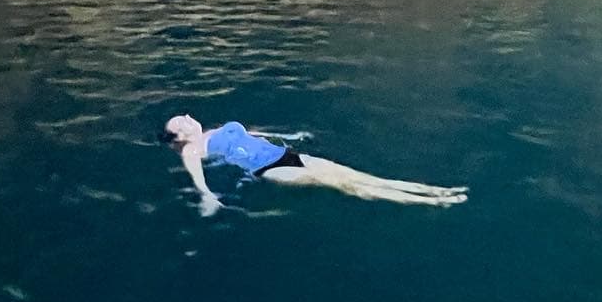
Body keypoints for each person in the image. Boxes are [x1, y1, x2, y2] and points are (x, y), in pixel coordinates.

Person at [162, 114, 467, 214]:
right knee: (348, 186)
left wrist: (290, 134)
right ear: (180, 136)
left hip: (285, 153)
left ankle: (434, 190)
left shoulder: (218, 129)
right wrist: (208, 197)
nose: (188, 119)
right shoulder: (191, 151)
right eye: (181, 124)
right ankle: (425, 202)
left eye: (186, 116)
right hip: (269, 169)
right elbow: (197, 177)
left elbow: (255, 134)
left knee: (356, 174)